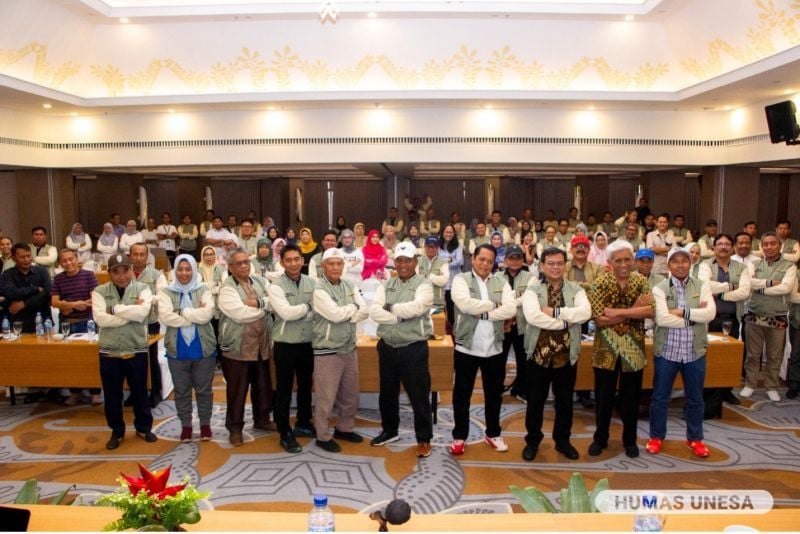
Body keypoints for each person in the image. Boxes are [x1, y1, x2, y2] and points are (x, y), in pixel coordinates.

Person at [521, 247, 591, 461]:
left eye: (559, 263)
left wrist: (555, 312)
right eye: (550, 263)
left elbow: (585, 313)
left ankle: (563, 441)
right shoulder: (532, 290)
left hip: (566, 355)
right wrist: (567, 321)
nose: (555, 267)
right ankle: (533, 440)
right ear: (542, 266)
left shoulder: (575, 289)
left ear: (565, 265)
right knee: (535, 401)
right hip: (538, 355)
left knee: (564, 402)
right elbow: (533, 317)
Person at [646, 247, 716, 458]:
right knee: (660, 398)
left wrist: (681, 312)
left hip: (694, 352)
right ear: (668, 265)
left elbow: (710, 313)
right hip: (667, 351)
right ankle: (656, 437)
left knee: (695, 399)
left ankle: (695, 439)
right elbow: (663, 319)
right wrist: (695, 315)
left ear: (690, 263)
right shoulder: (659, 288)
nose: (680, 265)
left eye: (684, 260)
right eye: (675, 261)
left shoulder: (701, 285)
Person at [587, 240, 654, 458]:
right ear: (610, 262)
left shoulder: (641, 282)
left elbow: (650, 311)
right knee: (603, 398)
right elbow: (598, 319)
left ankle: (630, 440)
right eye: (619, 260)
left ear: (633, 261)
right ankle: (600, 439)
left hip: (633, 351)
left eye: (627, 259)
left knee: (631, 399)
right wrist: (633, 310)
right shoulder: (600, 283)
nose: (624, 264)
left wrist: (616, 313)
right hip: (605, 350)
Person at [369, 242, 435, 458]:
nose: (404, 264)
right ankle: (390, 431)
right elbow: (375, 312)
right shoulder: (385, 285)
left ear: (415, 262)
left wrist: (390, 309)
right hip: (387, 347)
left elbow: (417, 308)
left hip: (413, 348)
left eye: (408, 260)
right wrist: (399, 315)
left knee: (418, 395)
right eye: (400, 261)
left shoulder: (424, 285)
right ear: (394, 263)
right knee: (387, 393)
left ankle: (424, 439)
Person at [449, 244, 516, 455]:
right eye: (482, 259)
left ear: (494, 263)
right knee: (462, 394)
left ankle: (493, 433)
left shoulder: (501, 281)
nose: (485, 264)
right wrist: (495, 306)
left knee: (493, 394)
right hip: (466, 348)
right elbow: (465, 305)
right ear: (473, 259)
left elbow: (511, 308)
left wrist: (485, 312)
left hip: (494, 348)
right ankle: (460, 436)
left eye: (489, 261)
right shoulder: (461, 280)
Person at [91, 253, 156, 450]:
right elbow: (100, 319)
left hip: (136, 349)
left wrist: (114, 310)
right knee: (112, 395)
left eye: (125, 270)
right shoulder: (99, 291)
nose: (121, 276)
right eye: (116, 272)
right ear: (109, 273)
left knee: (139, 392)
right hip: (110, 352)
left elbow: (142, 313)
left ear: (131, 270)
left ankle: (143, 427)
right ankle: (117, 431)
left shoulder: (143, 288)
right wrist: (129, 313)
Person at [312, 247, 369, 452]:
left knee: (350, 394)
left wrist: (349, 312)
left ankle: (345, 428)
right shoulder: (319, 289)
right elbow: (334, 315)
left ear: (343, 265)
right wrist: (352, 309)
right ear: (323, 266)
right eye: (331, 264)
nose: (335, 267)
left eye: (339, 263)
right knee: (326, 396)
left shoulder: (349, 285)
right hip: (327, 350)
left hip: (349, 348)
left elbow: (365, 311)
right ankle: (323, 435)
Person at [218, 248, 274, 446]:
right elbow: (240, 314)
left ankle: (262, 420)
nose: (243, 266)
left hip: (261, 344)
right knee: (237, 390)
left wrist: (257, 302)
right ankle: (235, 428)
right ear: (231, 267)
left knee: (262, 386)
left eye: (246, 262)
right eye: (238, 263)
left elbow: (275, 299)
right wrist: (264, 308)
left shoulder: (259, 281)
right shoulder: (227, 288)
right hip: (237, 346)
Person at [158, 254, 216, 443]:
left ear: (194, 269)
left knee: (204, 390)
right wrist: (194, 313)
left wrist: (181, 312)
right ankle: (186, 425)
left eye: (188, 268)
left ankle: (205, 424)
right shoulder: (166, 292)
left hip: (203, 349)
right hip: (178, 350)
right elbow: (167, 317)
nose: (184, 273)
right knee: (182, 391)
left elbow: (207, 315)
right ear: (175, 270)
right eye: (180, 269)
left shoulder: (204, 289)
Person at [267, 243, 317, 453]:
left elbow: (320, 308)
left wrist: (306, 311)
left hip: (307, 343)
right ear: (282, 262)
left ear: (303, 260)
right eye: (289, 260)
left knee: (306, 385)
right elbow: (285, 313)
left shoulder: (311, 282)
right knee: (284, 389)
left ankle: (303, 422)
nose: (294, 263)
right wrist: (307, 308)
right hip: (285, 344)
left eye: (297, 259)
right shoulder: (276, 286)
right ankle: (284, 430)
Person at [741, 232, 797, 402]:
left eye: (773, 243)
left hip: (777, 316)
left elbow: (786, 288)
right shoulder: (754, 263)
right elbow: (749, 282)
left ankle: (771, 386)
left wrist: (761, 287)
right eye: (765, 244)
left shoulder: (789, 266)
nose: (769, 247)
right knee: (753, 354)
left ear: (779, 246)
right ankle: (750, 384)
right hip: (754, 314)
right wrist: (770, 283)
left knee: (774, 355)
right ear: (761, 247)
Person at [698, 233, 752, 412]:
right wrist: (730, 286)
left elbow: (744, 292)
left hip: (731, 320)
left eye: (727, 244)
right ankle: (709, 393)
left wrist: (719, 292)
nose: (723, 247)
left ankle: (726, 391)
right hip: (711, 318)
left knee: (729, 357)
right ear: (713, 247)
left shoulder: (741, 268)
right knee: (710, 357)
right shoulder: (705, 265)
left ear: (733, 247)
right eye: (719, 244)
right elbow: (705, 286)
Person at [52, 248, 101, 406]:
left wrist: (68, 306)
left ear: (76, 258)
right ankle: (75, 392)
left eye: (70, 259)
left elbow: (95, 298)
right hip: (67, 324)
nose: (68, 263)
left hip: (88, 322)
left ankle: (95, 393)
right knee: (70, 359)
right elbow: (54, 302)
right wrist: (75, 304)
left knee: (90, 359)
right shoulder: (58, 279)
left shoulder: (88, 275)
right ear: (60, 263)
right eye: (64, 261)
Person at [129, 243, 167, 407]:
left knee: (151, 359)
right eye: (135, 254)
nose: (138, 257)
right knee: (132, 360)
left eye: (142, 254)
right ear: (130, 256)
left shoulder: (156, 274)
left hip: (150, 322)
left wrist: (146, 300)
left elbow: (164, 296)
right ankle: (135, 393)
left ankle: (155, 392)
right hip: (129, 323)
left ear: (147, 256)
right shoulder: (123, 273)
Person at [499, 244, 534, 403]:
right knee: (499, 358)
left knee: (523, 359)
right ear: (505, 260)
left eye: (518, 257)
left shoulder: (531, 278)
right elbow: (495, 299)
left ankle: (521, 389)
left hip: (523, 325)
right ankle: (497, 387)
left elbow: (529, 298)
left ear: (523, 260)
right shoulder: (497, 277)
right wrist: (514, 302)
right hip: (502, 325)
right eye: (511, 257)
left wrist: (509, 302)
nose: (514, 261)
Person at [1, 243, 52, 333]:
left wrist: (24, 303)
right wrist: (35, 289)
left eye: (28, 256)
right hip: (18, 321)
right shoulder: (7, 274)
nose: (26, 259)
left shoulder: (42, 272)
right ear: (13, 258)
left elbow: (47, 293)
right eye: (22, 257)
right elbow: (11, 293)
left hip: (43, 319)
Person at [439, 224, 464, 330]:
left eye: (451, 232)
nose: (448, 234)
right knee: (440, 307)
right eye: (446, 232)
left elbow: (460, 261)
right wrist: (450, 260)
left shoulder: (458, 245)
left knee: (451, 306)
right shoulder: (438, 245)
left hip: (453, 281)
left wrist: (444, 263)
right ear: (442, 233)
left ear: (454, 234)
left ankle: (453, 330)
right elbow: (436, 260)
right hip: (441, 280)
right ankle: (441, 328)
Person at [417, 236, 448, 313]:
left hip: (437, 304)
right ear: (424, 247)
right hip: (420, 302)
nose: (431, 249)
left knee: (437, 324)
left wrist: (425, 276)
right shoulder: (418, 261)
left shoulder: (443, 262)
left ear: (438, 248)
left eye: (433, 247)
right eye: (428, 246)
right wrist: (435, 278)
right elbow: (414, 279)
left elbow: (443, 280)